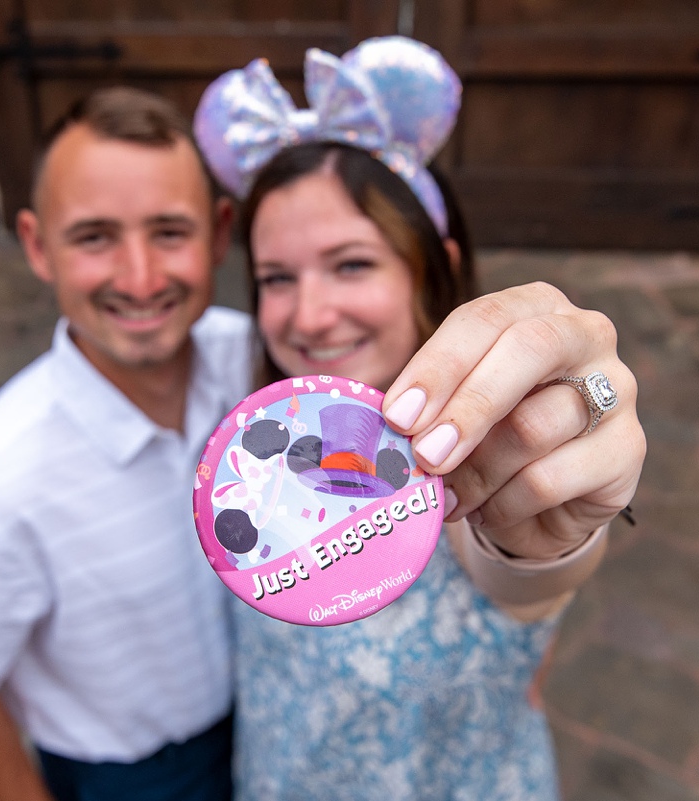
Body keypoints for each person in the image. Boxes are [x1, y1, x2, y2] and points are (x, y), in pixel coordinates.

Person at [192, 37, 645, 799]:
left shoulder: (479, 448)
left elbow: (531, 564)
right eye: (276, 276)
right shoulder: (247, 438)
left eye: (352, 263)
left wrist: (558, 530)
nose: (309, 314)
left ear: (432, 265)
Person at [0, 87, 249, 801]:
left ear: (219, 232)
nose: (141, 277)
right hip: (135, 776)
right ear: (36, 246)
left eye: (169, 231)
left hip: (269, 708)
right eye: (95, 237)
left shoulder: (254, 363)